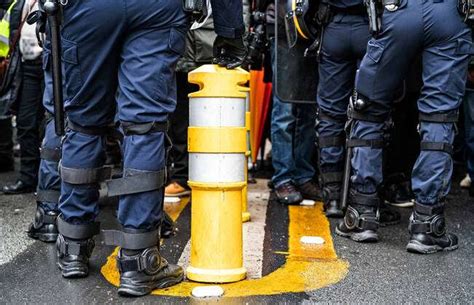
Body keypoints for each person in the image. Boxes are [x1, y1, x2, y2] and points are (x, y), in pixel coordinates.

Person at [47, 0, 246, 297]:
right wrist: (229, 30)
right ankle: (138, 261)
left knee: (84, 123)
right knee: (144, 125)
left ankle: (73, 245)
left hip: (88, 9)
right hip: (156, 9)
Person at [336, 0, 471, 253]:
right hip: (448, 14)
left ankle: (362, 214)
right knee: (439, 117)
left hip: (399, 11)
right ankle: (426, 225)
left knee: (368, 109)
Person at [267, 2, 321, 206]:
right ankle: (284, 177)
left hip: (310, 26)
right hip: (283, 27)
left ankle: (301, 176)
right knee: (285, 110)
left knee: (308, 108)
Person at [1, 0, 45, 195]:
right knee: (25, 122)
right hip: (27, 67)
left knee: (53, 124)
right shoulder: (21, 3)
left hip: (52, 66)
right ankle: (28, 178)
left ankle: (52, 180)